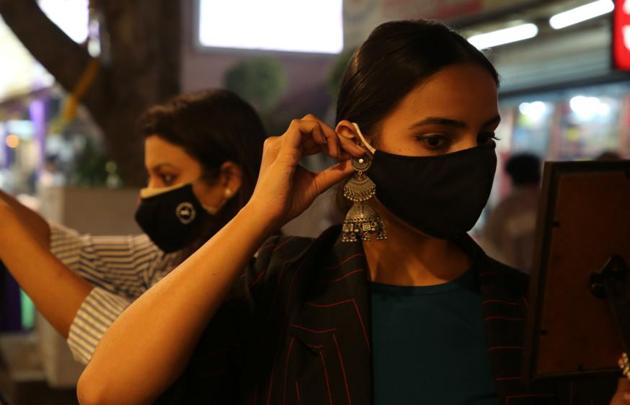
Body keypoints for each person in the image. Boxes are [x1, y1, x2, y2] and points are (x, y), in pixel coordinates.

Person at [78, 21, 624, 404]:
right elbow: (106, 389)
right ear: (356, 142)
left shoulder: (530, 308)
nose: (469, 160)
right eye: (435, 139)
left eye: (484, 137)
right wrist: (258, 215)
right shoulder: (283, 283)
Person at [0, 89, 266, 364]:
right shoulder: (173, 254)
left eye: (166, 176)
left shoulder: (249, 282)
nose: (148, 193)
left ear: (227, 180)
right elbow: (71, 252)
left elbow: (125, 359)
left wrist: (6, 227)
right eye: (149, 176)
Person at [481, 152, 541, 273]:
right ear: (538, 174)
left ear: (511, 177)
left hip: (515, 283)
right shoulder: (553, 201)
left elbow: (489, 248)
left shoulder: (504, 209)